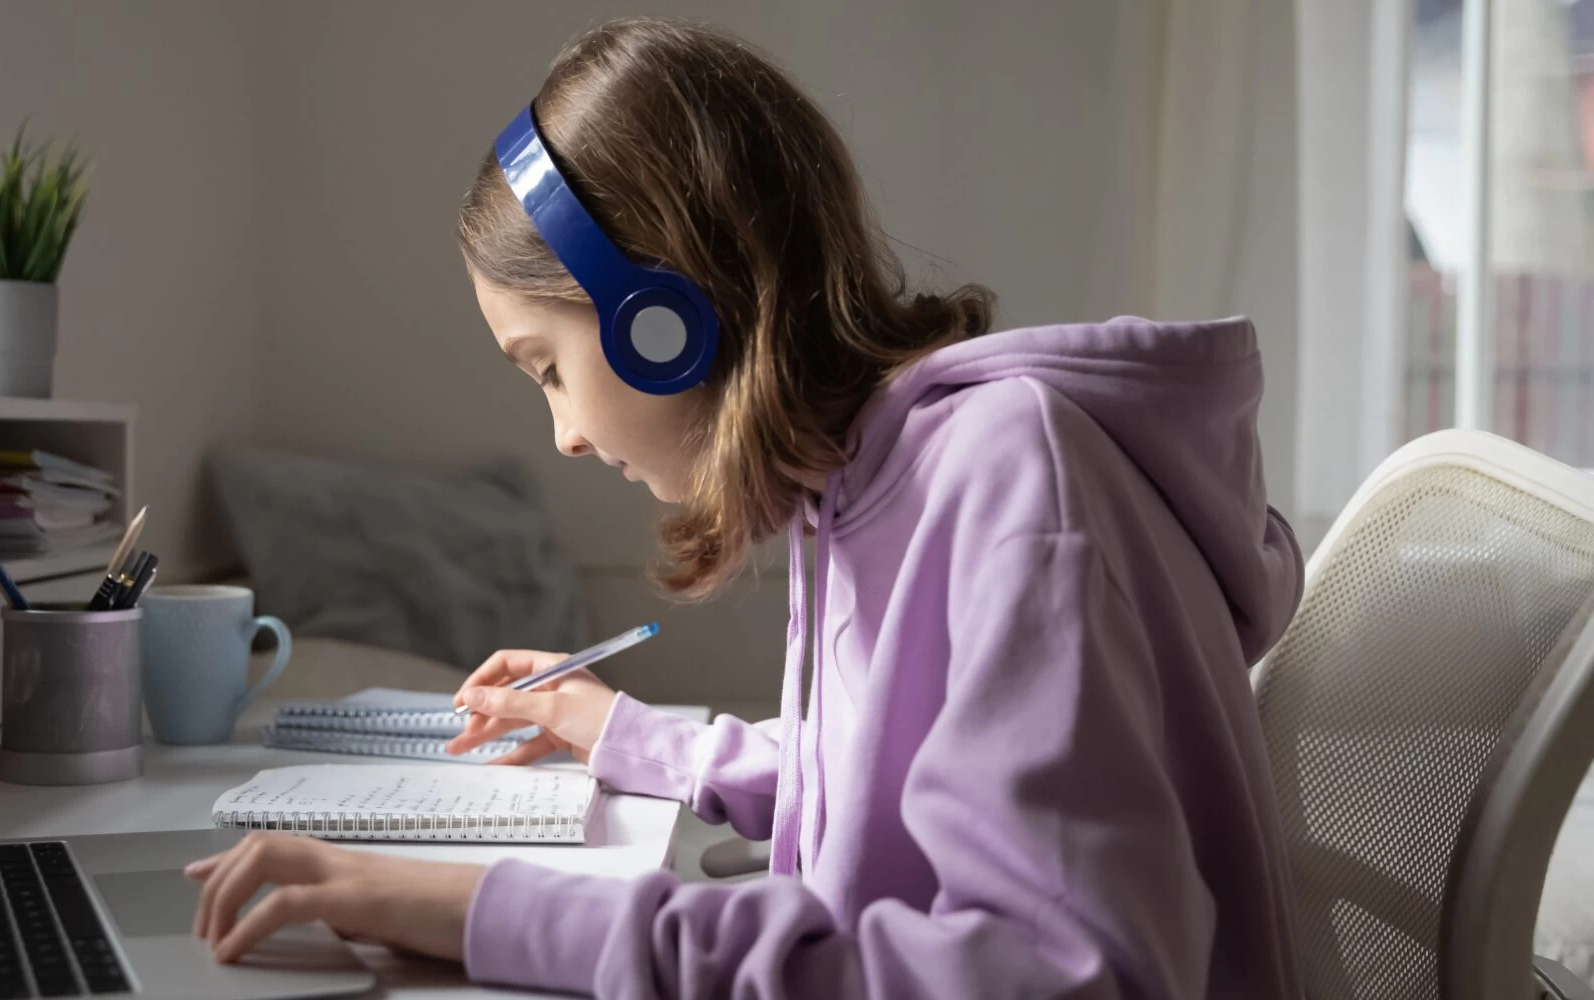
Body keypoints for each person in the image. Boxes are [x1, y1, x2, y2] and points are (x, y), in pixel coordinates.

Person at [186, 16, 1304, 998]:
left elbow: (1061, 974)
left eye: (545, 369)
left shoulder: (1011, 480)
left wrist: (488, 912)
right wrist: (617, 731)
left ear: (657, 319)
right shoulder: (862, 477)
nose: (565, 434)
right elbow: (880, 774)